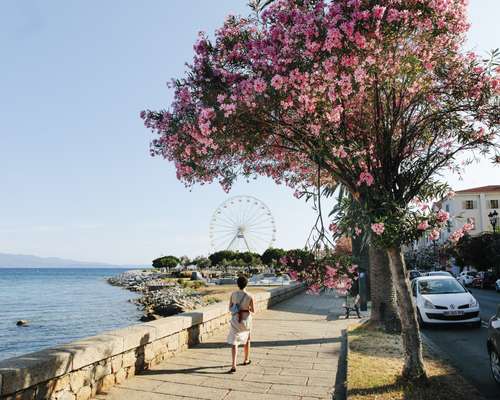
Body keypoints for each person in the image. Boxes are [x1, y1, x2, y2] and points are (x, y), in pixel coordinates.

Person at [227, 275, 254, 373]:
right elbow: (253, 310)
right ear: (247, 284)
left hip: (235, 320)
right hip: (246, 319)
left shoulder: (233, 294)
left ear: (237, 284)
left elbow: (230, 307)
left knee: (234, 342)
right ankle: (246, 359)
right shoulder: (249, 296)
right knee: (247, 339)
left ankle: (233, 365)